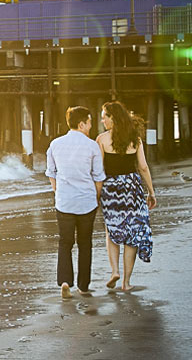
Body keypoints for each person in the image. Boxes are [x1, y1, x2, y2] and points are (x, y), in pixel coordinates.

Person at [46, 106, 105, 298]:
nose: (90, 126)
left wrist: (58, 192)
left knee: (65, 242)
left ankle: (65, 281)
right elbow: (98, 177)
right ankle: (83, 285)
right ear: (81, 124)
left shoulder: (55, 144)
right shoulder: (92, 146)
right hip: (86, 201)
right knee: (85, 243)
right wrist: (95, 197)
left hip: (64, 201)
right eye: (89, 122)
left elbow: (51, 173)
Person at [97, 100, 156, 292]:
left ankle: (114, 271)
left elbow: (99, 170)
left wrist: (97, 193)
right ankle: (126, 282)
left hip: (111, 188)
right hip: (132, 187)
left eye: (105, 115)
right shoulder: (135, 138)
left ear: (113, 118)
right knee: (132, 232)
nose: (102, 119)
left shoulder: (102, 140)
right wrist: (151, 192)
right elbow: (143, 167)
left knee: (111, 228)